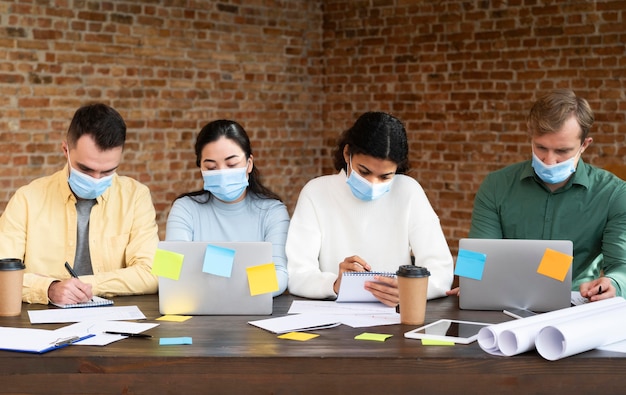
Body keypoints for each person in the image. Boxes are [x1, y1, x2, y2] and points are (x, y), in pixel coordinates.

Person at [447, 89, 626, 301]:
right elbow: (478, 254)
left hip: (576, 306)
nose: (549, 160)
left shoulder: (613, 194)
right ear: (531, 138)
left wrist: (613, 284)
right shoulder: (496, 185)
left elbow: (621, 267)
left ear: (584, 145)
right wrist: (470, 283)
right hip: (502, 302)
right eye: (541, 147)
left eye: (562, 151)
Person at [286, 111, 454, 307]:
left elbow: (441, 270)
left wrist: (409, 289)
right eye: (364, 171)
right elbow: (298, 275)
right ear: (347, 154)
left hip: (395, 316)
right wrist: (334, 284)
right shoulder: (316, 192)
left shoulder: (408, 191)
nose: (373, 184)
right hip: (333, 317)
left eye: (385, 177)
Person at [0, 103, 159, 305]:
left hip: (115, 321)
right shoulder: (27, 199)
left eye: (108, 171)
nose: (96, 178)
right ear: (65, 150)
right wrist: (49, 288)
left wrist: (82, 284)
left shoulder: (136, 197)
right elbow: (2, 274)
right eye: (86, 169)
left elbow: (152, 273)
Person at [165, 119, 289, 296]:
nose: (222, 173)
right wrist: (245, 272)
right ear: (200, 167)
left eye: (231, 164)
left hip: (254, 312)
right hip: (198, 315)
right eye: (211, 167)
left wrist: (209, 268)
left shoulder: (273, 212)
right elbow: (170, 273)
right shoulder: (185, 209)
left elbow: (279, 275)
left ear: (249, 164)